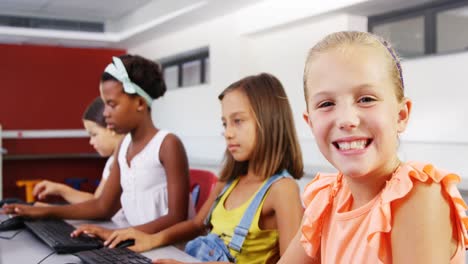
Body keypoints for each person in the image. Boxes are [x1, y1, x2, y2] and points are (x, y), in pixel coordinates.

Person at [278, 31, 468, 264]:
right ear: (310, 123)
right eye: (326, 104)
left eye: (366, 99)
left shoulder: (418, 195)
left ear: (401, 115)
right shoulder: (326, 198)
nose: (347, 119)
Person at [75, 73, 305, 264]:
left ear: (269, 121)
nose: (228, 132)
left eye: (238, 121)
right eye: (224, 123)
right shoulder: (230, 181)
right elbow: (197, 225)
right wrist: (147, 238)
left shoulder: (282, 190)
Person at [3, 54, 193, 238]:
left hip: (170, 250)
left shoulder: (167, 144)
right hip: (136, 245)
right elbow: (103, 206)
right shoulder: (124, 146)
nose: (105, 113)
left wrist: (119, 233)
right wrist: (45, 212)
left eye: (111, 104)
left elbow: (176, 217)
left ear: (140, 103)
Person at [33, 97, 124, 206]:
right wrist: (60, 190)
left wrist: (52, 210)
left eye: (94, 134)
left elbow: (98, 207)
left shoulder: (124, 160)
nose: (91, 141)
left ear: (111, 128)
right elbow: (96, 201)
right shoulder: (112, 161)